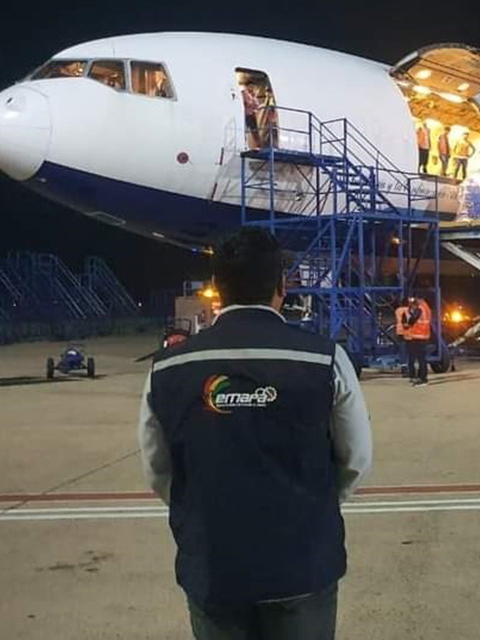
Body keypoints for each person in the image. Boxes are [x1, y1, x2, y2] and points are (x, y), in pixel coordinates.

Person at [138, 227, 372, 639]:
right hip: (302, 561)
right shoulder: (325, 360)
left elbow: (158, 468)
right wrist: (311, 503)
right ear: (281, 287)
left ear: (217, 287)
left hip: (214, 563)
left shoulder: (167, 368)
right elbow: (356, 459)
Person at [400, 295, 432, 386]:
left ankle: (423, 379)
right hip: (424, 336)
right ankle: (421, 377)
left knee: (420, 359)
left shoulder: (420, 308)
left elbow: (414, 319)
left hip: (418, 336)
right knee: (422, 359)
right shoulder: (427, 308)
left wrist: (408, 324)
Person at [240, 80, 261, 150]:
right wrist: (252, 103)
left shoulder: (253, 96)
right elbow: (248, 103)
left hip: (252, 115)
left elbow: (257, 105)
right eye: (251, 87)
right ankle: (245, 144)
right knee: (245, 130)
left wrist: (253, 101)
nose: (252, 88)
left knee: (254, 130)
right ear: (248, 86)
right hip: (247, 114)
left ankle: (257, 145)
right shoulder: (244, 93)